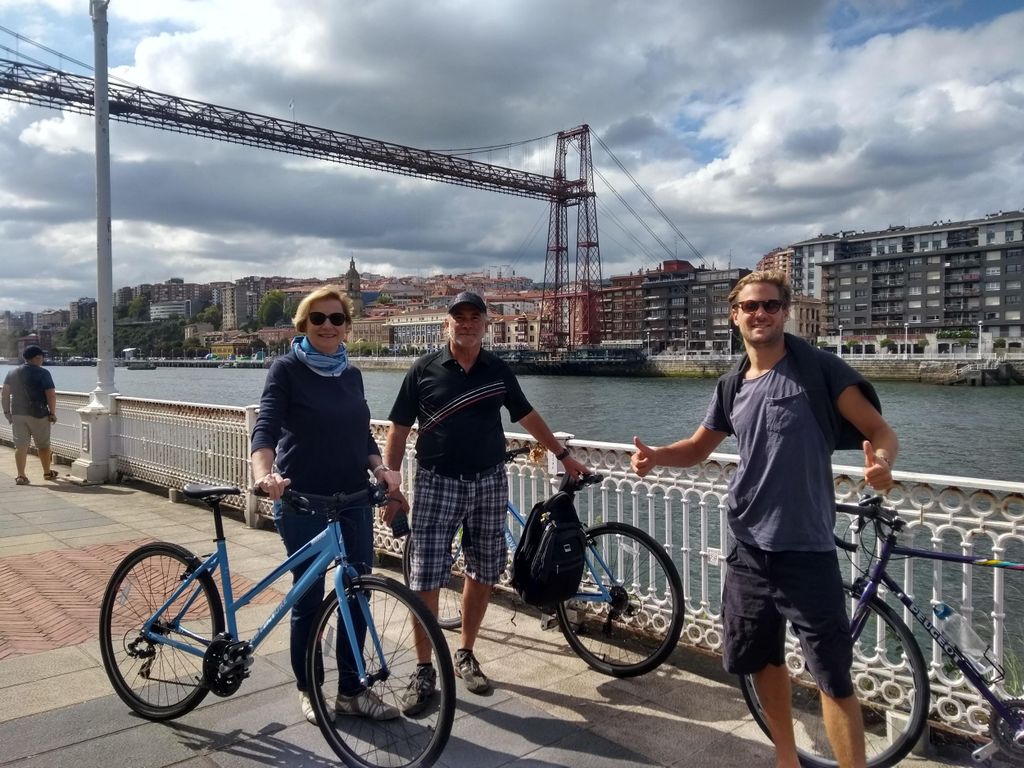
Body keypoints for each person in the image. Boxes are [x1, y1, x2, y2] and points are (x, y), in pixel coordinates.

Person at [631, 271, 897, 768]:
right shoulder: (732, 384)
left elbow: (879, 429)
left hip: (807, 547)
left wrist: (881, 465)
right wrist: (656, 457)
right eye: (750, 306)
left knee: (834, 678)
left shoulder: (818, 370)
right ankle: (785, 759)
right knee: (761, 660)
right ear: (735, 315)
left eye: (771, 306)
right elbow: (697, 447)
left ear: (785, 312)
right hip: (747, 548)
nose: (761, 314)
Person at [384, 291, 589, 713]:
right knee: (425, 576)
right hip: (437, 481)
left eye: (474, 317)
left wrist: (563, 455)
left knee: (483, 569)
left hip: (490, 482)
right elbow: (399, 430)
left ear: (485, 325)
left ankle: (466, 653)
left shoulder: (498, 370)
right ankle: (425, 669)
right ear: (448, 325)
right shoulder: (423, 370)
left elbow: (527, 415)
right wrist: (392, 487)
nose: (467, 323)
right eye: (459, 317)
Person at [250, 286, 403, 725]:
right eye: (318, 319)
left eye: (337, 319)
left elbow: (360, 435)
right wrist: (265, 474)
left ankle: (352, 691)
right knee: (310, 600)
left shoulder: (350, 375)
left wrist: (380, 469)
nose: (328, 326)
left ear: (347, 326)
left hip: (352, 499)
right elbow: (266, 428)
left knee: (357, 594)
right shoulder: (285, 370)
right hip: (302, 500)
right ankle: (309, 687)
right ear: (303, 325)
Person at [2, 345, 59, 485]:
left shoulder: (12, 373)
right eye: (41, 358)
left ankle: (21, 476)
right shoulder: (43, 373)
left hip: (18, 414)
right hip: (39, 414)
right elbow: (51, 395)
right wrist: (52, 413)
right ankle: (47, 473)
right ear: (37, 358)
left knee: (20, 446)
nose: (42, 361)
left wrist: (7, 413)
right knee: (43, 446)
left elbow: (4, 394)